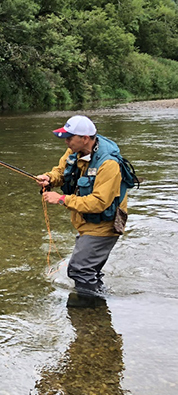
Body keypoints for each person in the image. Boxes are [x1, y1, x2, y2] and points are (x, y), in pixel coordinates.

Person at [36, 115, 129, 296]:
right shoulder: (74, 150)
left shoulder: (108, 164)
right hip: (86, 221)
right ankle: (99, 304)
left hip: (105, 223)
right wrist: (50, 178)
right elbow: (61, 171)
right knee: (88, 270)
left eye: (70, 137)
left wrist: (62, 199)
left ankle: (88, 311)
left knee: (79, 270)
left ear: (85, 138)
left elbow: (99, 203)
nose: (66, 142)